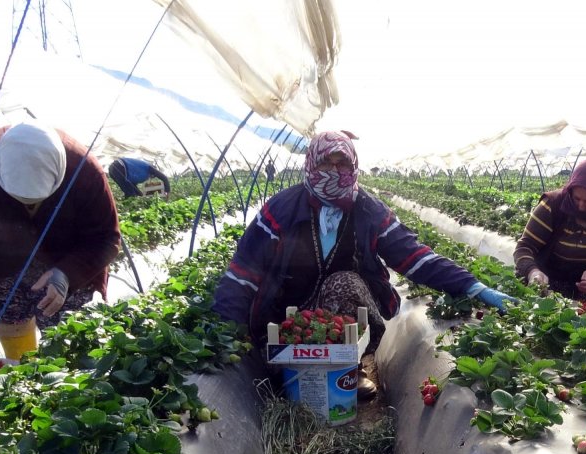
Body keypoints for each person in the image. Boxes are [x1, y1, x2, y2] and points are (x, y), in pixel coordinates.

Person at [212, 131, 513, 399]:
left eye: (341, 163)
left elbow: (413, 256)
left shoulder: (367, 210)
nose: (334, 172)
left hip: (340, 316)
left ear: (353, 165)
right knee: (276, 360)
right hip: (288, 316)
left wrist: (473, 286)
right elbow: (244, 272)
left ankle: (347, 370)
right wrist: (224, 327)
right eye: (325, 164)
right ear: (310, 165)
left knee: (346, 282)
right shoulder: (282, 210)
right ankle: (290, 369)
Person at [0, 120, 121, 360]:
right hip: (2, 258)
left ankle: (64, 378)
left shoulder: (85, 171)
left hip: (66, 256)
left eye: (36, 201)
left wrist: (67, 274)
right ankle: (22, 374)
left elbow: (106, 237)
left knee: (67, 332)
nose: (28, 207)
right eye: (19, 199)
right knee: (9, 315)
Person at [514, 156, 586, 305]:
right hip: (552, 278)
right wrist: (533, 272)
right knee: (522, 280)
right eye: (576, 199)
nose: (581, 206)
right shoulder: (552, 205)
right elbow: (524, 247)